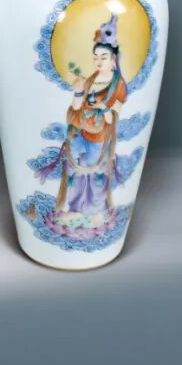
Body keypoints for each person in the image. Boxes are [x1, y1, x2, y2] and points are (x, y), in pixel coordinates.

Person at [41, 14, 128, 228]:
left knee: (96, 172)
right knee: (74, 171)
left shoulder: (118, 85)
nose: (98, 61)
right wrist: (79, 91)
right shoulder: (91, 80)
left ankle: (95, 211)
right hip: (78, 132)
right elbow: (76, 107)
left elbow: (113, 116)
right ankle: (74, 208)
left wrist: (102, 107)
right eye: (96, 57)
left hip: (98, 136)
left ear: (113, 59)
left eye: (104, 57)